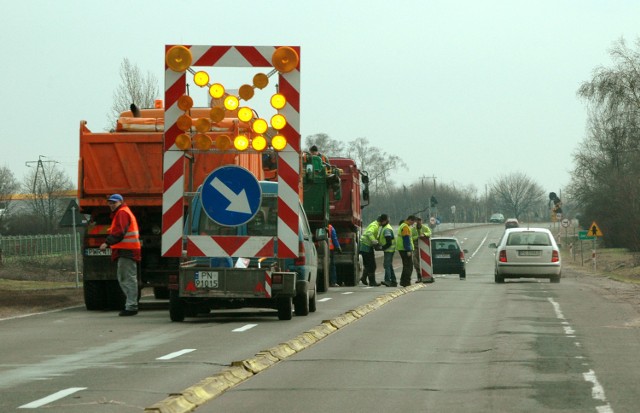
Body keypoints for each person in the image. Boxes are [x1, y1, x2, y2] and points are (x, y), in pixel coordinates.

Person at [99, 194, 141, 316]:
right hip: (126, 250)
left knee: (127, 279)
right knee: (125, 278)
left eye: (114, 203)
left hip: (127, 251)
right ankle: (131, 305)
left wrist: (107, 243)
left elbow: (120, 232)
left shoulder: (122, 213)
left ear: (120, 202)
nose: (111, 205)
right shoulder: (122, 212)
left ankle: (131, 307)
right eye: (110, 203)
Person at [359, 214, 389, 286]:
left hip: (364, 246)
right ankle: (372, 282)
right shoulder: (375, 226)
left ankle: (364, 278)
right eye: (387, 221)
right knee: (372, 265)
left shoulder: (375, 224)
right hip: (366, 246)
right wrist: (374, 241)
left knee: (367, 264)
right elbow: (369, 233)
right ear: (383, 221)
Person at [396, 215, 417, 287]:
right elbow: (406, 239)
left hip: (402, 248)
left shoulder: (402, 225)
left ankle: (403, 281)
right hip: (405, 249)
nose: (413, 224)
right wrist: (408, 250)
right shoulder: (405, 227)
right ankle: (406, 282)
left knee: (406, 265)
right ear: (410, 220)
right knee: (409, 266)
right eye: (413, 222)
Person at [411, 217, 433, 283]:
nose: (418, 222)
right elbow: (411, 237)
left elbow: (429, 232)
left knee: (425, 262)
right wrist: (417, 237)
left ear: (421, 221)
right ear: (416, 222)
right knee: (415, 261)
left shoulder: (425, 228)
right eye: (417, 221)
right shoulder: (413, 229)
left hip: (424, 247)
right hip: (416, 247)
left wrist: (424, 234)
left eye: (419, 221)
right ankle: (419, 275)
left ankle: (426, 275)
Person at [379, 219, 397, 287]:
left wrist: (382, 247)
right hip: (389, 250)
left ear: (385, 221)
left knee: (386, 265)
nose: (380, 222)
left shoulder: (386, 229)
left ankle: (387, 280)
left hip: (389, 250)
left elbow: (389, 242)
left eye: (381, 221)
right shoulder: (386, 228)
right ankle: (393, 281)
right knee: (389, 265)